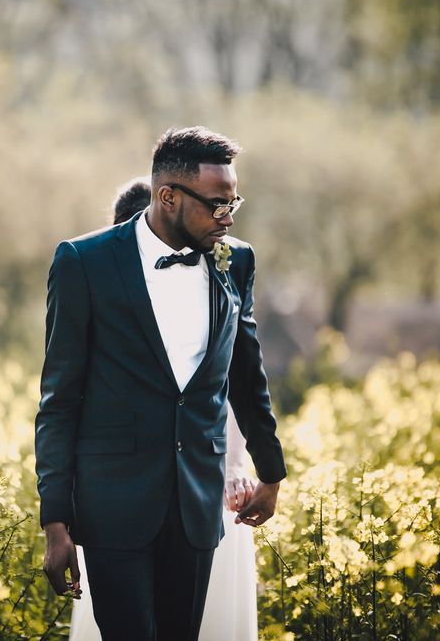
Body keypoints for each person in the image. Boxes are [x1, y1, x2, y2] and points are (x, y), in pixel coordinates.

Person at [35, 126, 286, 641]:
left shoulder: (236, 261)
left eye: (233, 202)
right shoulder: (84, 262)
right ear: (167, 196)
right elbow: (58, 401)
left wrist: (271, 471)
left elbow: (246, 374)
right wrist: (55, 523)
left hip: (195, 505)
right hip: (112, 507)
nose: (229, 217)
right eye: (217, 205)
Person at [69, 177, 260, 640]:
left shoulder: (226, 273)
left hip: (204, 485)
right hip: (118, 503)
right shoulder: (92, 278)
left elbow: (230, 386)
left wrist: (238, 465)